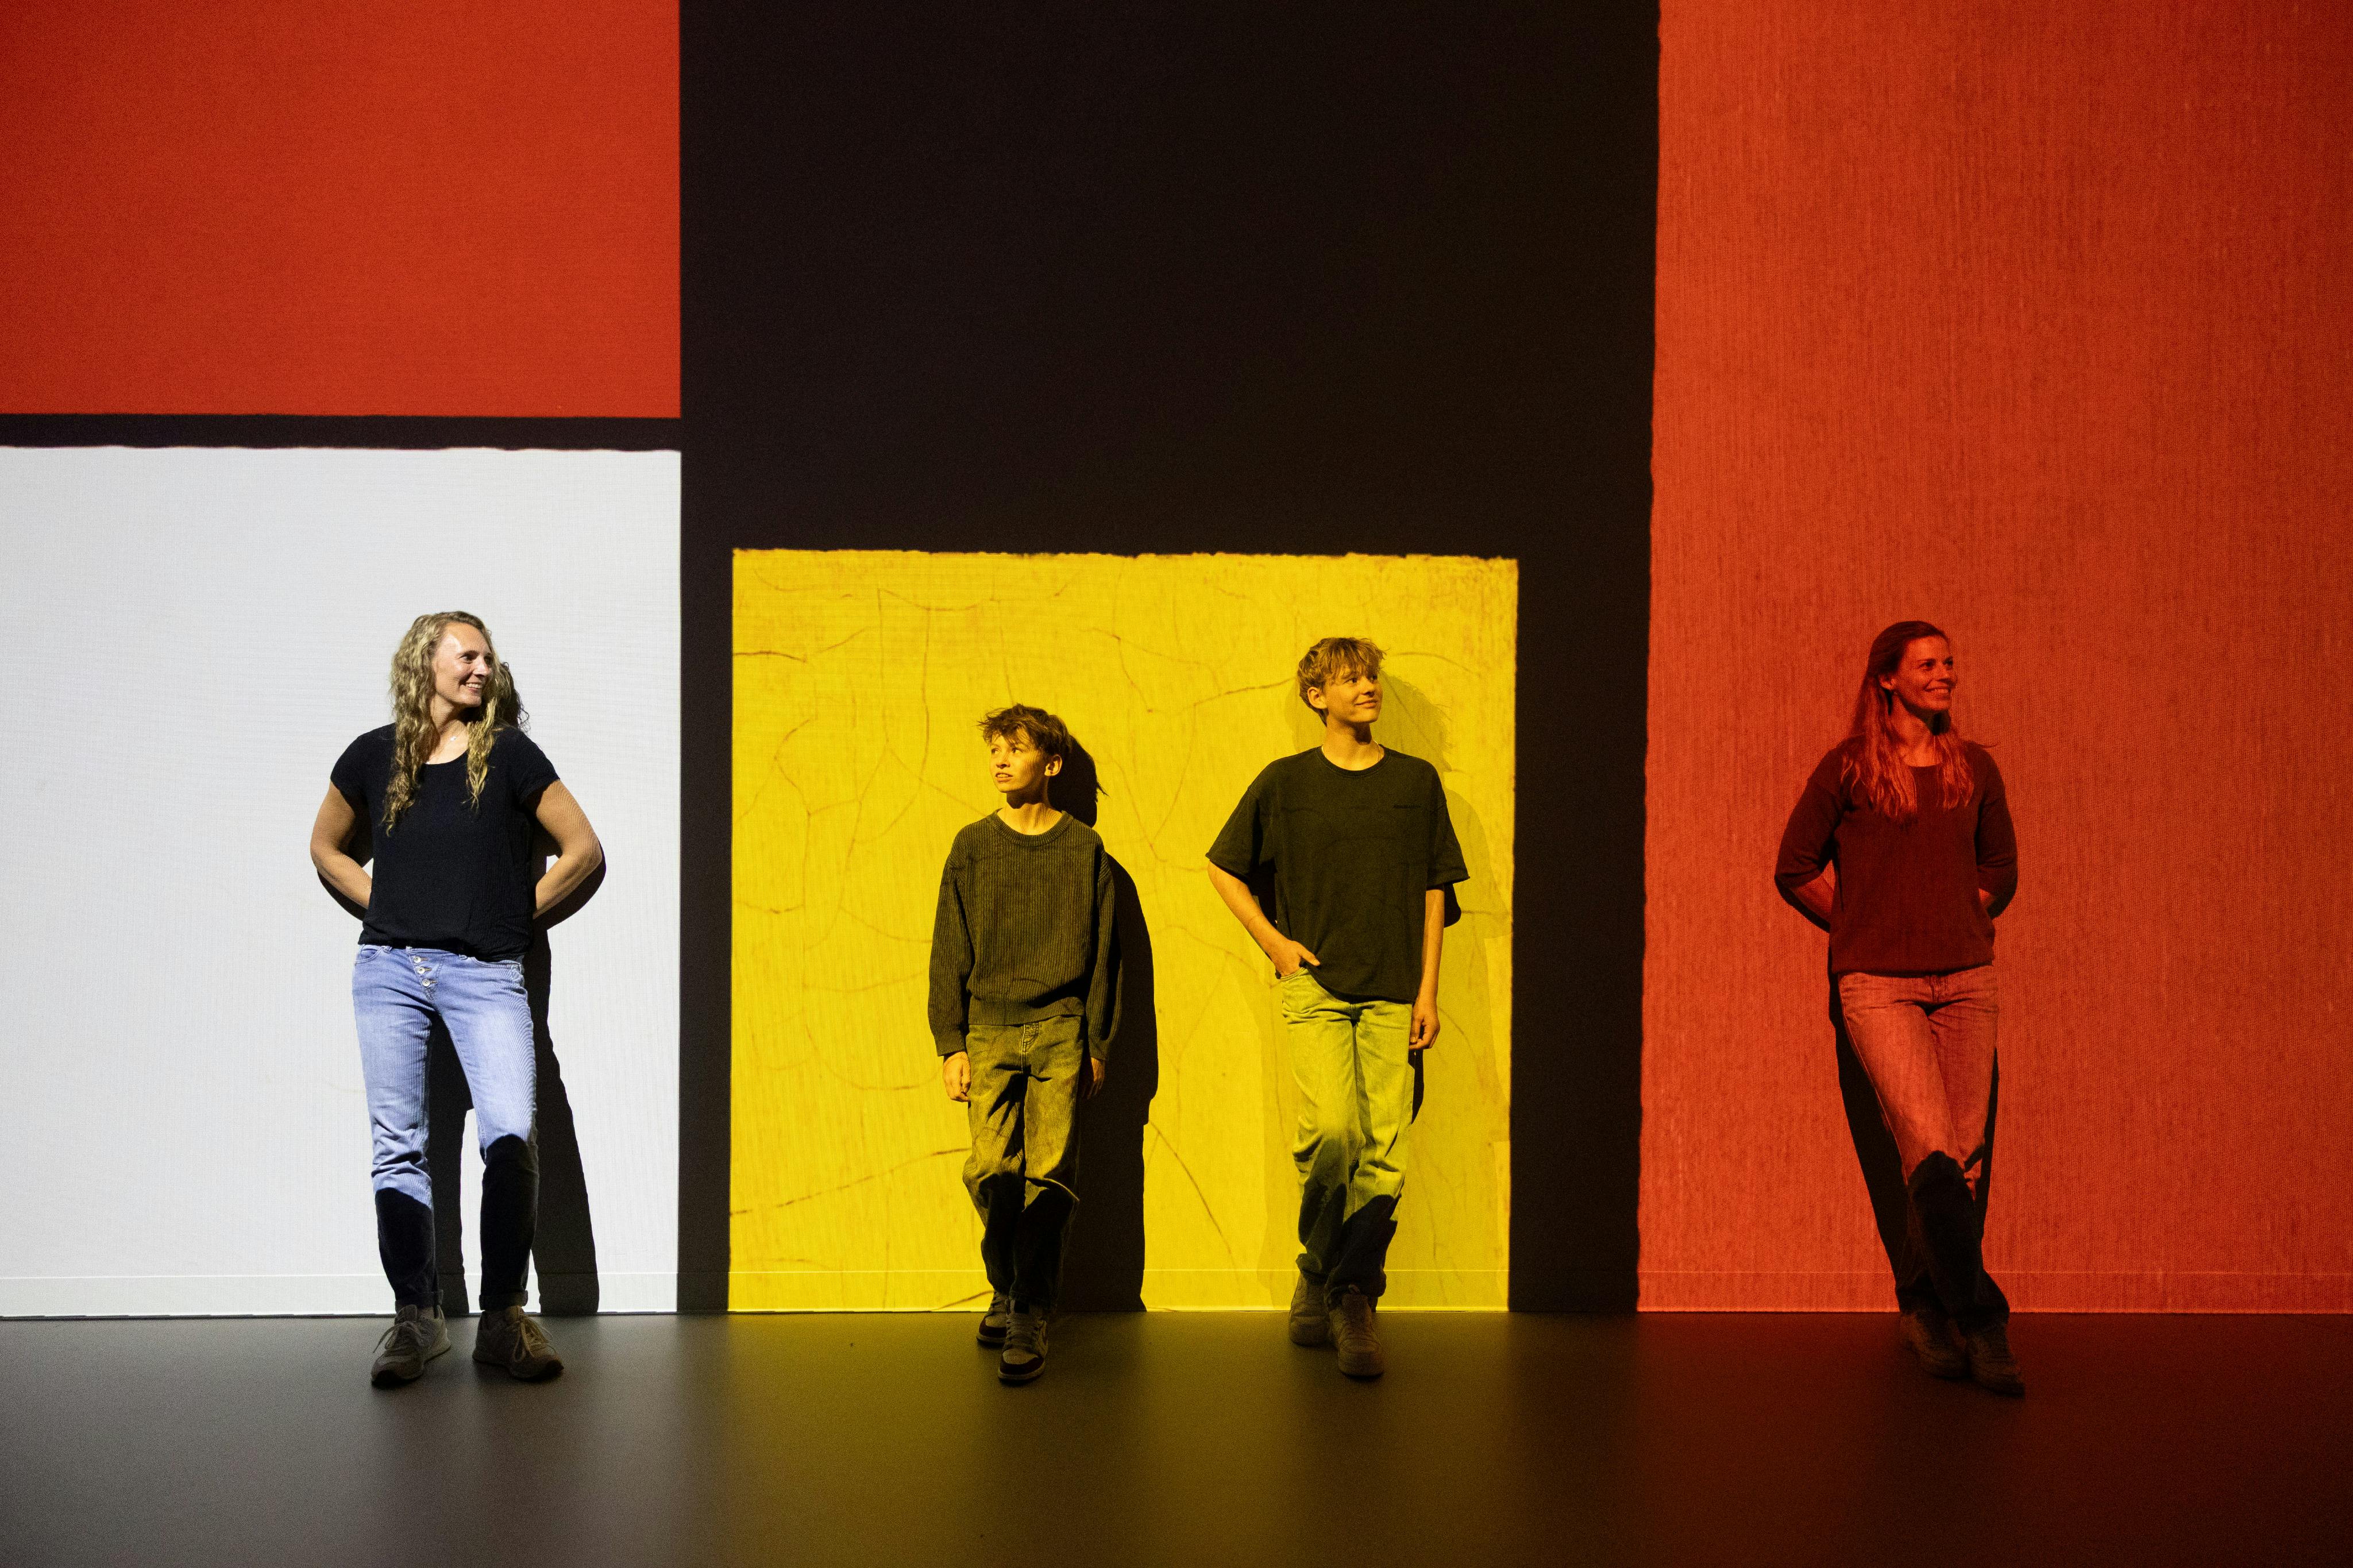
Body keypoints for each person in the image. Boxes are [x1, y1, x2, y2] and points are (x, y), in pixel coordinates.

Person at [309, 612, 603, 1387]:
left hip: (486, 973)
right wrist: (382, 905)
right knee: (398, 1144)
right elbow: (325, 845)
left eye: (488, 657)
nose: (482, 668)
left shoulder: (507, 754)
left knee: (510, 1133)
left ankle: (504, 1319)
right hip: (389, 972)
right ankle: (417, 1320)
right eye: (466, 654)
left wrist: (513, 910)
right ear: (425, 662)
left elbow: (584, 850)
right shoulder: (375, 754)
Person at [1775, 620, 2023, 1395]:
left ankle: (1923, 1307)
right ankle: (1982, 1319)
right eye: (1927, 664)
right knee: (1932, 1149)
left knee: (1966, 1160)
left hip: (1966, 980)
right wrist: (1857, 923)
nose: (1944, 673)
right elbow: (1794, 866)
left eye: (1951, 662)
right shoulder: (1848, 768)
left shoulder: (1973, 766)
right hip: (1878, 982)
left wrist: (1959, 915)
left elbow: (2001, 867)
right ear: (1888, 678)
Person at [1206, 638, 1465, 1379]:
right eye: (1350, 678)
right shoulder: (1285, 783)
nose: (1368, 687)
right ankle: (1318, 1264)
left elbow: (1434, 890)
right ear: (1317, 695)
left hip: (1394, 989)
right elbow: (1224, 866)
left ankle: (1353, 1294)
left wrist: (1428, 990)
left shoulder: (1415, 782)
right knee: (1331, 1132)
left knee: (1385, 1150)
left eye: (1371, 675)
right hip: (1316, 986)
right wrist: (1275, 943)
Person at [929, 704, 1118, 1384]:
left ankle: (1029, 1310)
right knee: (990, 1170)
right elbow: (948, 946)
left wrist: (1097, 1042)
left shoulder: (1084, 849)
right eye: (995, 751)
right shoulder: (972, 845)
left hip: (1063, 1030)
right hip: (989, 1028)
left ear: (1053, 763)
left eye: (1015, 749)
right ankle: (1007, 1282)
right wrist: (950, 1042)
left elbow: (1105, 956)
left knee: (1051, 1177)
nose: (1000, 761)